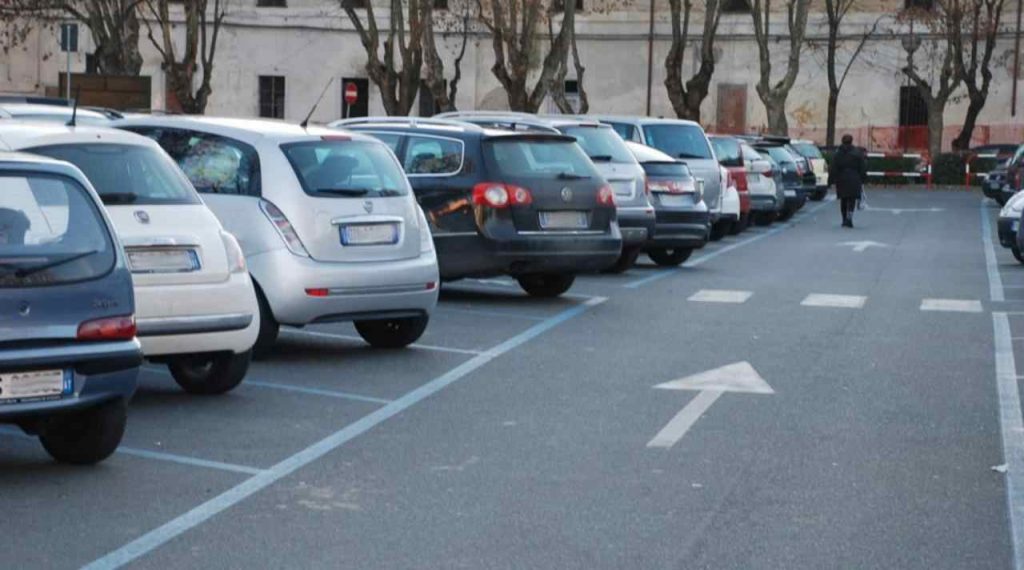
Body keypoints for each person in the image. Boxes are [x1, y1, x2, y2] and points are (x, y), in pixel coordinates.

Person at [828, 134, 866, 228]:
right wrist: (862, 179)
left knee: (843, 199)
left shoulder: (838, 154)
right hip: (854, 178)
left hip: (842, 179)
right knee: (852, 199)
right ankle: (850, 218)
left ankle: (844, 219)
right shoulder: (857, 153)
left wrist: (830, 181)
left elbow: (833, 168)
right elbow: (862, 167)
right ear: (851, 141)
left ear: (842, 141)